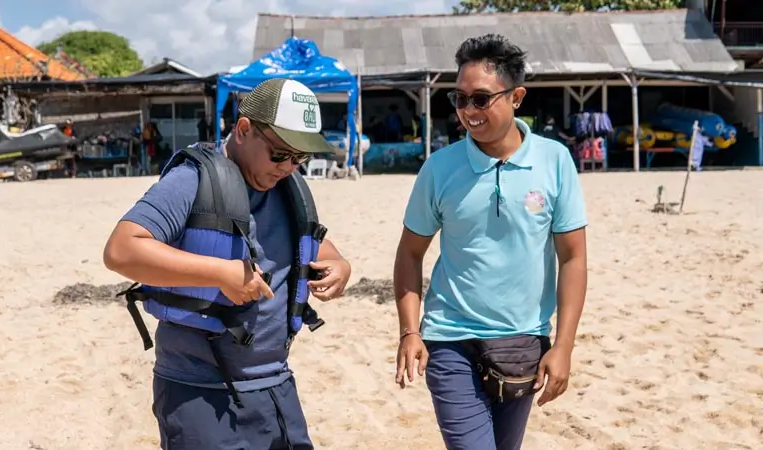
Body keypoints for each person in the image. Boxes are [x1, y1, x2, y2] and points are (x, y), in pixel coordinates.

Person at [103, 78, 352, 449]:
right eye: (281, 154)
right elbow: (121, 250)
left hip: (274, 385)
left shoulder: (284, 187)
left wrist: (339, 264)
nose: (288, 167)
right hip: (199, 390)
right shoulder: (192, 180)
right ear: (244, 128)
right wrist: (219, 273)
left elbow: (313, 243)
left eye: (301, 158)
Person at [392, 34, 588, 450]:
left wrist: (564, 347)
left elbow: (573, 259)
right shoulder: (440, 168)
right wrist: (410, 331)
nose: (467, 111)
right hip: (449, 342)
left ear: (516, 97)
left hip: (524, 342)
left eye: (480, 99)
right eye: (459, 99)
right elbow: (410, 252)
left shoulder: (555, 161)